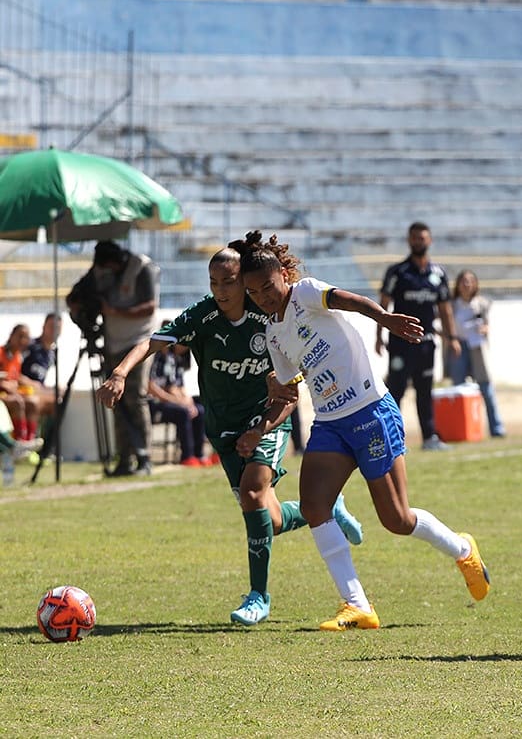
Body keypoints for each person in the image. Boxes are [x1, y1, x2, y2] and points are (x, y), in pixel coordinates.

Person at [236, 230, 490, 632]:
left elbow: (346, 300)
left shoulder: (304, 292)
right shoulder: (273, 334)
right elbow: (287, 394)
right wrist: (260, 429)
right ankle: (357, 605)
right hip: (330, 424)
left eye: (267, 286)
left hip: (370, 410)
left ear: (284, 274)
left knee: (397, 519)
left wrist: (384, 319)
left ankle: (463, 549)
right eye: (254, 293)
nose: (264, 297)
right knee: (315, 505)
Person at [96, 245, 363, 626]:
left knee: (254, 492)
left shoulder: (269, 318)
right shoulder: (202, 316)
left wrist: (261, 428)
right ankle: (326, 508)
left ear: (246, 284)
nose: (221, 290)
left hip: (266, 421)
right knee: (266, 518)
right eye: (214, 282)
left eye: (229, 282)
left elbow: (290, 392)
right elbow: (151, 343)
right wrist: (120, 373)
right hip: (222, 430)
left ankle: (259, 596)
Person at [68, 240, 160, 476]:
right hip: (112, 343)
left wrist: (114, 311)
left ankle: (144, 458)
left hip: (139, 343)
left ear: (115, 260)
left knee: (135, 398)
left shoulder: (142, 267)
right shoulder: (101, 270)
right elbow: (76, 296)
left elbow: (150, 307)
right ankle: (124, 459)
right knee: (115, 400)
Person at [377, 221, 460, 450]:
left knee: (425, 391)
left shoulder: (438, 274)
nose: (418, 242)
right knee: (396, 390)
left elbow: (445, 309)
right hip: (400, 342)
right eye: (414, 238)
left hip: (426, 344)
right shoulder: (397, 272)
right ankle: (391, 437)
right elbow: (383, 305)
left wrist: (452, 338)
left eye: (422, 238)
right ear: (409, 240)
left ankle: (429, 437)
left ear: (429, 240)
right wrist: (378, 336)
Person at [447, 269, 505, 438]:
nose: (467, 285)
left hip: (477, 347)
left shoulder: (482, 303)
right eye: (463, 281)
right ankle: (460, 429)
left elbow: (486, 324)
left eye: (470, 281)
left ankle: (497, 428)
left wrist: (485, 329)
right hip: (459, 347)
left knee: (486, 388)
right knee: (458, 388)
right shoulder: (452, 305)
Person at [148, 329, 209, 467]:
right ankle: (187, 456)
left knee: (199, 411)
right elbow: (151, 387)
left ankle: (198, 455)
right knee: (183, 413)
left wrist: (188, 403)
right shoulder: (154, 357)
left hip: (167, 402)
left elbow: (174, 387)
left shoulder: (172, 359)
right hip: (153, 404)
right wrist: (180, 403)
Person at [0, 323, 42, 441]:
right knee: (17, 402)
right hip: (3, 395)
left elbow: (15, 378)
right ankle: (20, 440)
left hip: (10, 394)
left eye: (26, 338)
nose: (23, 341)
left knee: (33, 402)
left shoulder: (17, 357)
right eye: (20, 336)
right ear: (11, 336)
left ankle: (29, 440)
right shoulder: (1, 352)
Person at [21, 312, 61, 419]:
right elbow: (15, 371)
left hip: (38, 390)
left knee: (58, 399)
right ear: (44, 327)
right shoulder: (30, 346)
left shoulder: (53, 354)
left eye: (58, 328)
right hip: (23, 389)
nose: (54, 331)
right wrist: (32, 384)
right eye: (51, 327)